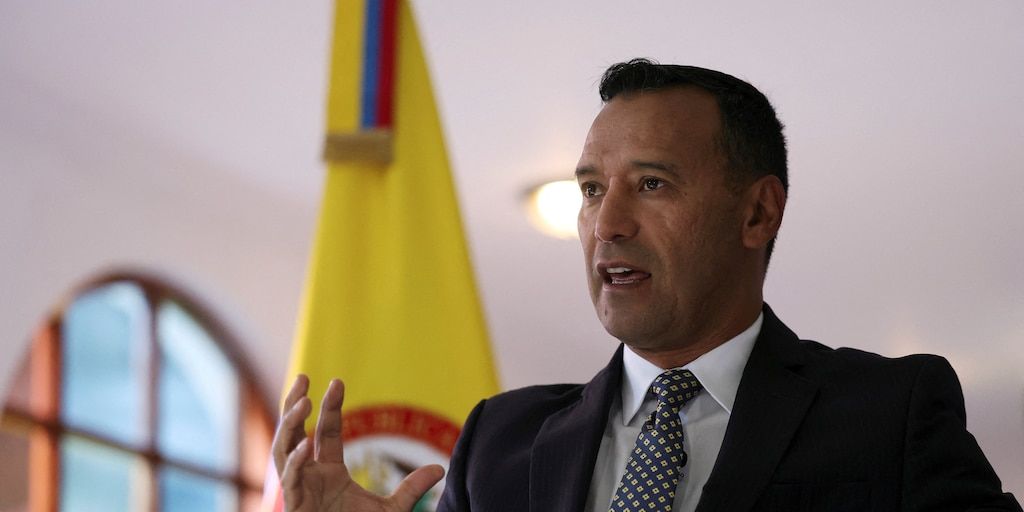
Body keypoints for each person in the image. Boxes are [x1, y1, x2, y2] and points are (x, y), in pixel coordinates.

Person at [272, 59, 1021, 511]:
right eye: (592, 190)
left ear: (757, 213)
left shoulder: (889, 415)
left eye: (652, 184)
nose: (607, 224)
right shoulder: (500, 441)